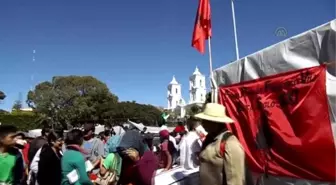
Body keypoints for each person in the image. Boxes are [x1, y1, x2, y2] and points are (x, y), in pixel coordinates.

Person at [195, 103, 246, 185]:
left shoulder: (231, 144)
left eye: (205, 120)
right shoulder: (210, 138)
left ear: (215, 122)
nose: (202, 124)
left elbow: (235, 181)